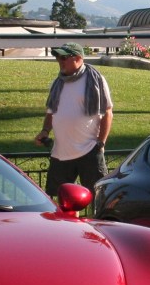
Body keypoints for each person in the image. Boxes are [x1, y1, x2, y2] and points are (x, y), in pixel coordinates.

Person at [35, 43, 113, 195]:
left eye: (64, 57)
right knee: (62, 200)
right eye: (58, 57)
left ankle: (95, 220)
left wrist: (101, 143)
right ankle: (70, 221)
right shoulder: (57, 83)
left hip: (89, 150)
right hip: (60, 152)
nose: (60, 61)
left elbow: (108, 112)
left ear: (78, 58)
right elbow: (51, 112)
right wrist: (45, 131)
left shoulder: (96, 80)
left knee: (97, 197)